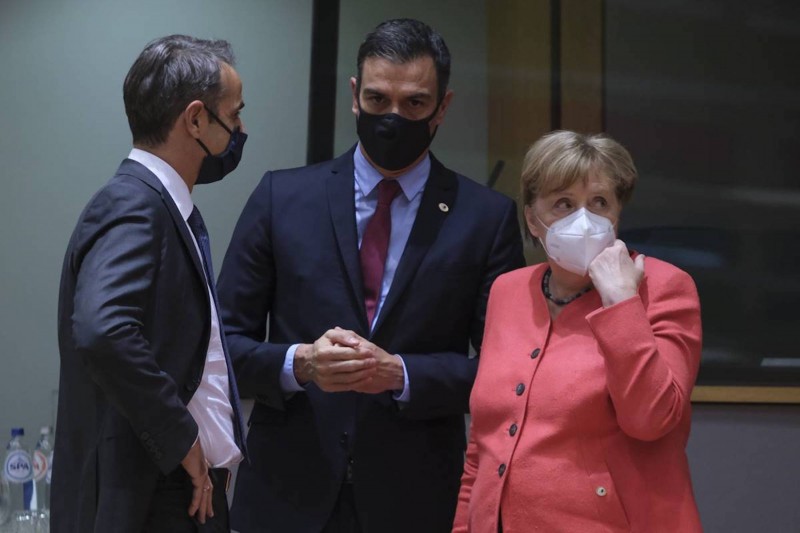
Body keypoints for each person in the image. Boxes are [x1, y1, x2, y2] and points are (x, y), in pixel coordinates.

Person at [218, 18, 525, 533]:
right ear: (355, 96)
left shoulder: (486, 218)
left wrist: (402, 374)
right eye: (379, 100)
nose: (393, 117)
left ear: (443, 107)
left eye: (414, 104)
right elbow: (221, 345)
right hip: (286, 493)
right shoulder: (281, 198)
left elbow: (509, 372)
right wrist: (302, 363)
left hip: (417, 496)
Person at [453, 131, 703, 533]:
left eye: (599, 203)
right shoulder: (507, 291)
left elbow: (651, 420)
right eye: (563, 204)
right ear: (533, 219)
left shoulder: (664, 286)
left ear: (618, 213)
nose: (583, 220)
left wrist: (622, 303)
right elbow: (484, 444)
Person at [52, 35, 248, 533]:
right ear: (196, 119)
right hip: (151, 501)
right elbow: (103, 328)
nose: (241, 130)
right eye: (235, 114)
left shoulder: (156, 205)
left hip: (175, 496)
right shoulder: (135, 204)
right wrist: (181, 438)